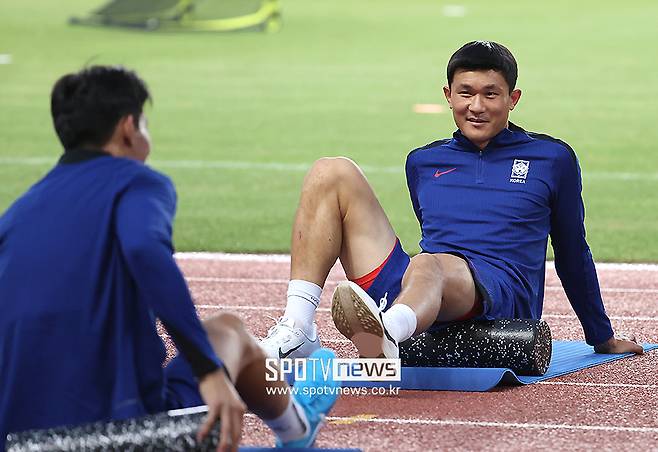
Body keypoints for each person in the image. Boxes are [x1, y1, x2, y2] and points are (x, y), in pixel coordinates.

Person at [0, 65, 338, 451]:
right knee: (229, 332)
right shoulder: (138, 182)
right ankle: (297, 428)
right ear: (129, 127)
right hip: (126, 436)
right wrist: (207, 369)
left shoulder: (17, 213)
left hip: (18, 441)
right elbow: (144, 249)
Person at [260, 40, 644, 361]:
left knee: (432, 264)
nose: (476, 106)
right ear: (448, 96)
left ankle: (388, 335)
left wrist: (601, 334)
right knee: (331, 171)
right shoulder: (422, 161)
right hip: (422, 287)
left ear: (513, 99)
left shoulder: (553, 159)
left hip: (498, 296)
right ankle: (299, 329)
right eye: (466, 93)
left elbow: (573, 251)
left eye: (490, 94)